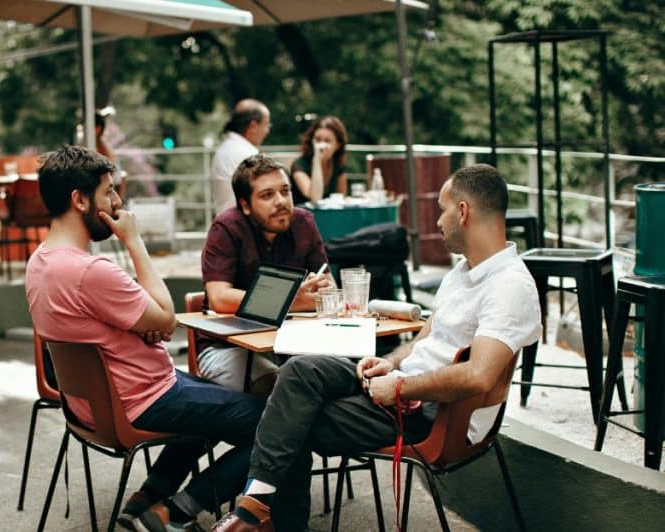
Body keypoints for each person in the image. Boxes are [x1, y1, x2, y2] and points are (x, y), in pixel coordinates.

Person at [210, 164, 543, 532]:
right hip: (404, 387)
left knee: (294, 417)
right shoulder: (461, 273)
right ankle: (256, 508)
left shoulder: (509, 285)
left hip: (436, 415)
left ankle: (254, 513)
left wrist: (400, 387)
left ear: (463, 212)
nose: (438, 222)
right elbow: (424, 343)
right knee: (301, 370)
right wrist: (389, 363)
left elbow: (478, 376)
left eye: (443, 210)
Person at [26, 145, 265, 532]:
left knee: (210, 395)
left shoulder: (39, 262)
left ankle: (148, 495)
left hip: (94, 406)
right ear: (79, 199)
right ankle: (176, 511)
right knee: (271, 423)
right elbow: (166, 319)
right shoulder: (91, 272)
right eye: (109, 192)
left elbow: (150, 322)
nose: (118, 203)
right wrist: (134, 242)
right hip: (141, 399)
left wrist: (146, 324)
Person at [200, 154, 333, 395]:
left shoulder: (304, 222)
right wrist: (291, 301)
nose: (281, 201)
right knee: (285, 394)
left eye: (285, 191)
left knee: (341, 381)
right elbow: (219, 298)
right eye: (267, 195)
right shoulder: (226, 228)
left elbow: (328, 289)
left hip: (293, 344)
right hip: (229, 348)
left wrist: (315, 295)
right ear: (245, 205)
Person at [210, 99, 271, 215]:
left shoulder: (225, 148)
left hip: (225, 222)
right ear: (253, 126)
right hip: (242, 227)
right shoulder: (247, 154)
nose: (267, 131)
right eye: (266, 124)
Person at [289, 115, 349, 204]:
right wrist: (316, 160)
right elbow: (315, 198)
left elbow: (341, 199)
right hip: (304, 216)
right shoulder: (299, 165)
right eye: (317, 140)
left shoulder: (338, 166)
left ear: (337, 145)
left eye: (327, 141)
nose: (321, 145)